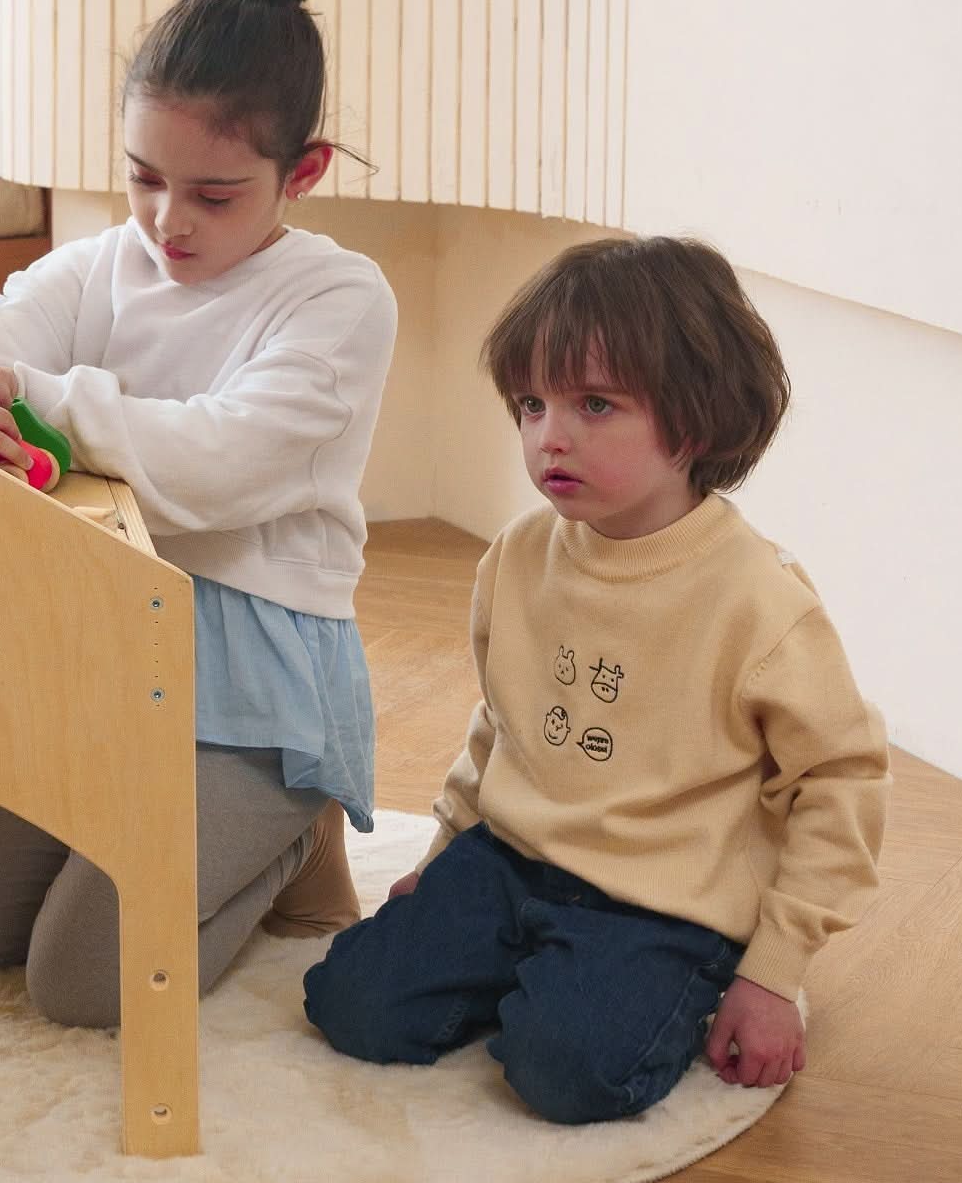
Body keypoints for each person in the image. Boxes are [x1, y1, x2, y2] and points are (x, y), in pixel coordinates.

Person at [0, 0, 397, 1027]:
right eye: (142, 178)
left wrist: (42, 398)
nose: (167, 221)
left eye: (212, 193)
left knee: (85, 982)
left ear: (302, 172)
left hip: (252, 690)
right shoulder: (101, 266)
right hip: (107, 656)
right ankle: (141, 832)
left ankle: (294, 836)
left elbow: (214, 465)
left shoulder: (337, 300)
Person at [305, 235, 886, 1121]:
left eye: (595, 404)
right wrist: (445, 852)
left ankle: (640, 988)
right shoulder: (518, 557)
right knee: (350, 1004)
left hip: (664, 905)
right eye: (532, 404)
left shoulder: (761, 604)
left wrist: (773, 974)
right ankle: (538, 969)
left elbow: (838, 786)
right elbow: (502, 725)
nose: (550, 436)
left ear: (692, 423)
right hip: (511, 861)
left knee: (567, 1073)